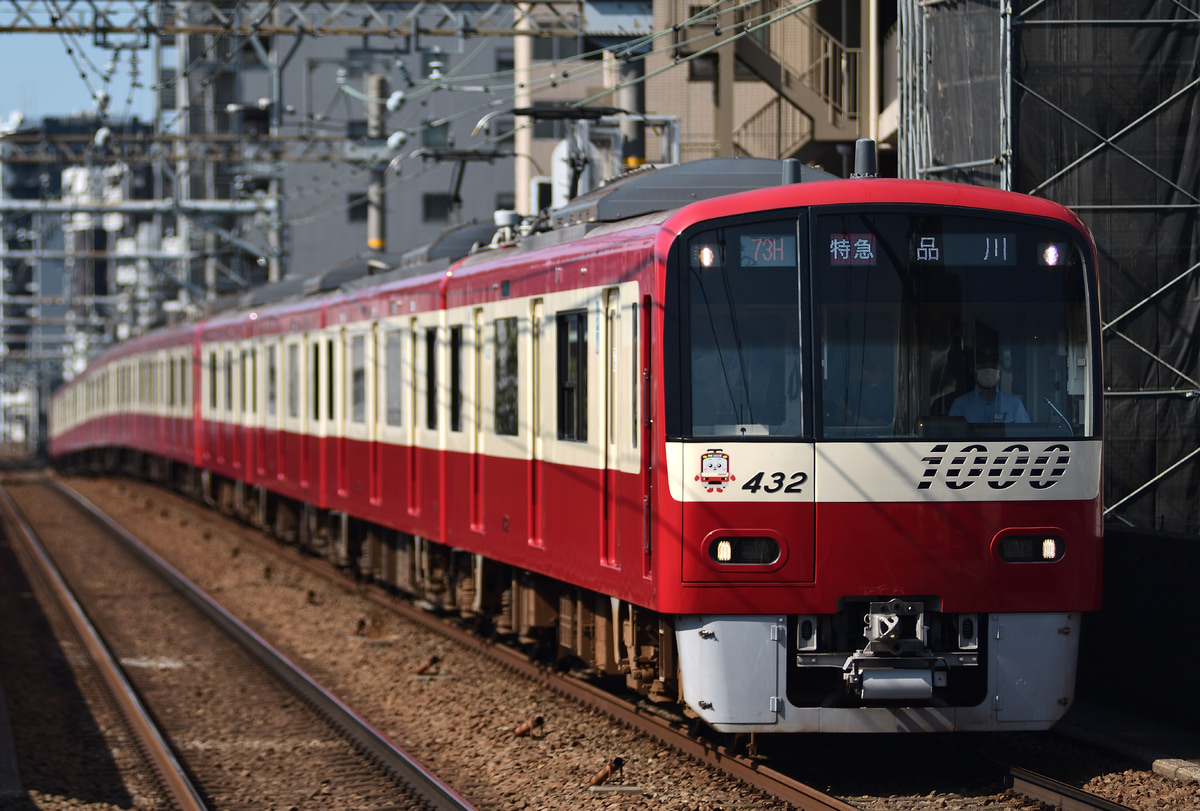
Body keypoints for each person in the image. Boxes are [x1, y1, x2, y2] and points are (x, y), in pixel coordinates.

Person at [949, 347, 1029, 424]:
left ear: (999, 369)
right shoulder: (959, 405)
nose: (988, 370)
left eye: (993, 365)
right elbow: (953, 435)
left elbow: (1025, 435)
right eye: (983, 365)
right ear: (972, 370)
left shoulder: (1015, 404)